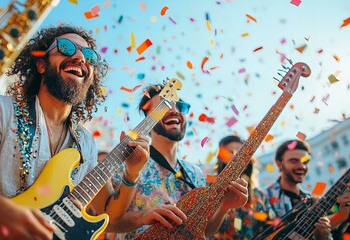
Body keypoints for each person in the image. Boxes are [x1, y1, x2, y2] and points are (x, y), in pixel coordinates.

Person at [0, 25, 150, 240]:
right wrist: (2, 210)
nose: (79, 57)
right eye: (66, 48)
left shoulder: (85, 142)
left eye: (89, 55)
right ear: (41, 65)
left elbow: (108, 214)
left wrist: (132, 173)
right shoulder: (1, 108)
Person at [108, 84, 249, 239]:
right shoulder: (126, 164)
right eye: (164, 105)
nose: (174, 110)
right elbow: (108, 222)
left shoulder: (195, 173)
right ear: (148, 117)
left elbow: (204, 230)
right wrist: (143, 216)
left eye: (181, 106)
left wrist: (224, 207)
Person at [263, 139, 350, 240]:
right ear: (279, 164)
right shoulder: (262, 196)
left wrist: (323, 235)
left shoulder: (314, 202)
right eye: (294, 161)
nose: (301, 166)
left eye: (305, 161)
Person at [208, 135, 274, 239]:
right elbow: (204, 231)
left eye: (244, 154)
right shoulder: (207, 192)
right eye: (232, 152)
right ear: (221, 158)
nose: (238, 158)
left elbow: (270, 229)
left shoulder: (259, 196)